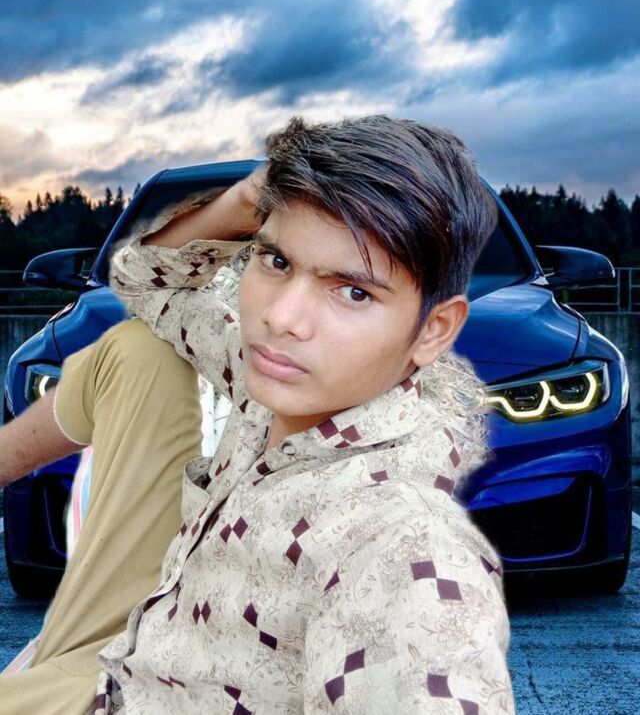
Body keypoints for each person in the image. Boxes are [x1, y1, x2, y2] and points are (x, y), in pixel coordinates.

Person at [1, 114, 515, 713]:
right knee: (138, 349)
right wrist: (246, 199)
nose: (281, 318)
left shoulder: (405, 550)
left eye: (353, 292)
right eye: (275, 261)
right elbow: (146, 283)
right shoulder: (274, 381)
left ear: (435, 330)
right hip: (132, 659)